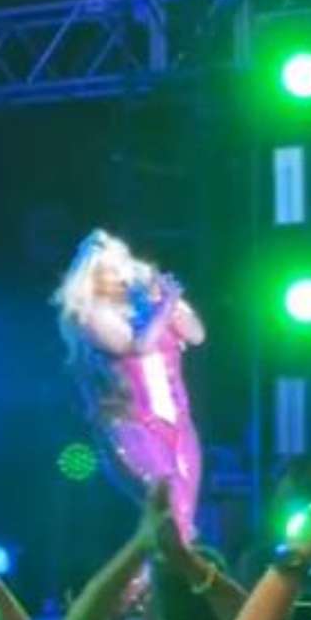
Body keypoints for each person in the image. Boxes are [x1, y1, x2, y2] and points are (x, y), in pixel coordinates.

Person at [52, 230, 206, 541]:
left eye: (120, 263)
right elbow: (137, 346)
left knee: (184, 516)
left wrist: (169, 300)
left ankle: (168, 571)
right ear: (93, 274)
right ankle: (150, 573)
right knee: (169, 509)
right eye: (109, 268)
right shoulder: (90, 314)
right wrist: (165, 307)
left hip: (178, 420)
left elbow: (196, 335)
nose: (119, 273)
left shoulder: (148, 302)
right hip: (132, 425)